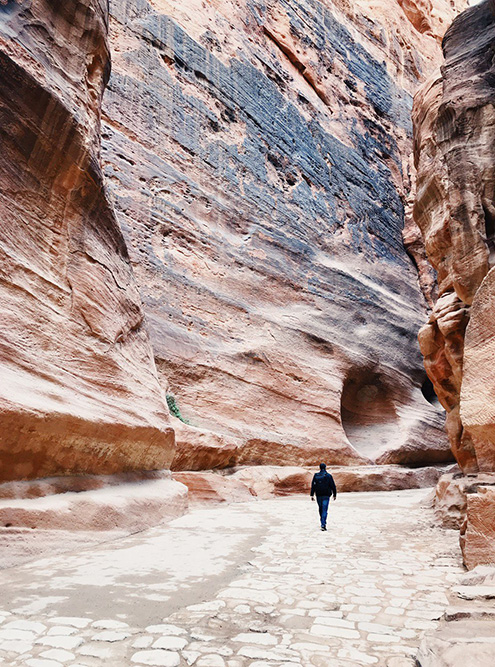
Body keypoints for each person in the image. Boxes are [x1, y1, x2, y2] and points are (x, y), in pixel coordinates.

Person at [310, 463, 337, 531]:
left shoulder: (316, 475)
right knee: (324, 509)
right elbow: (333, 485)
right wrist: (334, 494)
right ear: (325, 467)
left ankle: (322, 521)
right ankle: (323, 524)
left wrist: (312, 494)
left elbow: (313, 485)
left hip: (318, 494)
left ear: (319, 468)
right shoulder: (328, 476)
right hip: (326, 495)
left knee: (320, 508)